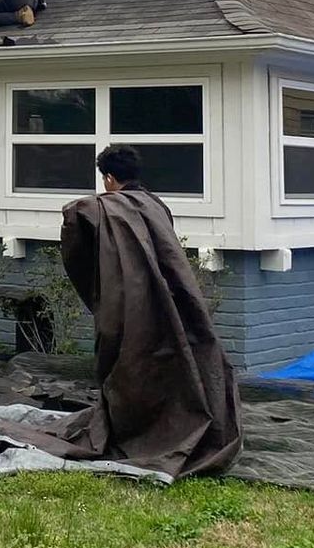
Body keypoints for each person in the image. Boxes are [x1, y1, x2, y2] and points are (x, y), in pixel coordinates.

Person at [57, 144, 242, 479]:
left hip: (132, 305)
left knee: (127, 359)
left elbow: (76, 218)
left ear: (109, 178)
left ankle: (137, 431)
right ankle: (173, 421)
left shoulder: (108, 208)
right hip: (171, 302)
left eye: (104, 180)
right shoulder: (157, 206)